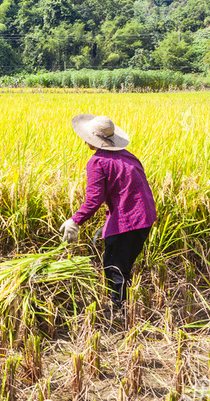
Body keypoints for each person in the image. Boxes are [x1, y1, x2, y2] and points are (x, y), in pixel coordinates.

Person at [60, 114, 156, 315]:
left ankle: (120, 313)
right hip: (144, 216)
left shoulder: (98, 162)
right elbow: (128, 190)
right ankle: (123, 306)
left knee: (115, 267)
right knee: (122, 263)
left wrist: (75, 220)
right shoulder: (127, 155)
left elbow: (94, 199)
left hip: (129, 220)